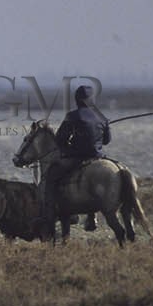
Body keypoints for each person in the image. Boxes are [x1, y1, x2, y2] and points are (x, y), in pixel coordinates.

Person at [40, 84, 110, 234]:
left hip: (78, 157)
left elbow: (60, 140)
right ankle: (92, 216)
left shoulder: (72, 116)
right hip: (98, 157)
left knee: (51, 175)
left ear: (77, 99)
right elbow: (106, 141)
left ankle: (50, 213)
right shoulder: (102, 117)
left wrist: (70, 145)